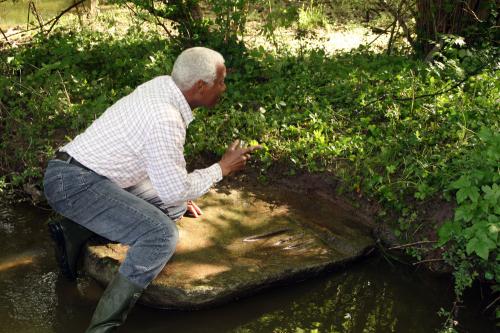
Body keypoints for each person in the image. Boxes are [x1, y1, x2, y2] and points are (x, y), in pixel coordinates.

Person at [43, 47, 260, 332]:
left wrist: (179, 196)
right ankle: (102, 327)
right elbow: (173, 188)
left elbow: (169, 186)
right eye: (221, 81)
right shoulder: (166, 118)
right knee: (161, 235)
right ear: (200, 86)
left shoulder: (162, 87)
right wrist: (222, 168)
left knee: (175, 206)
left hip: (87, 175)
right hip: (74, 184)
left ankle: (72, 232)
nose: (224, 87)